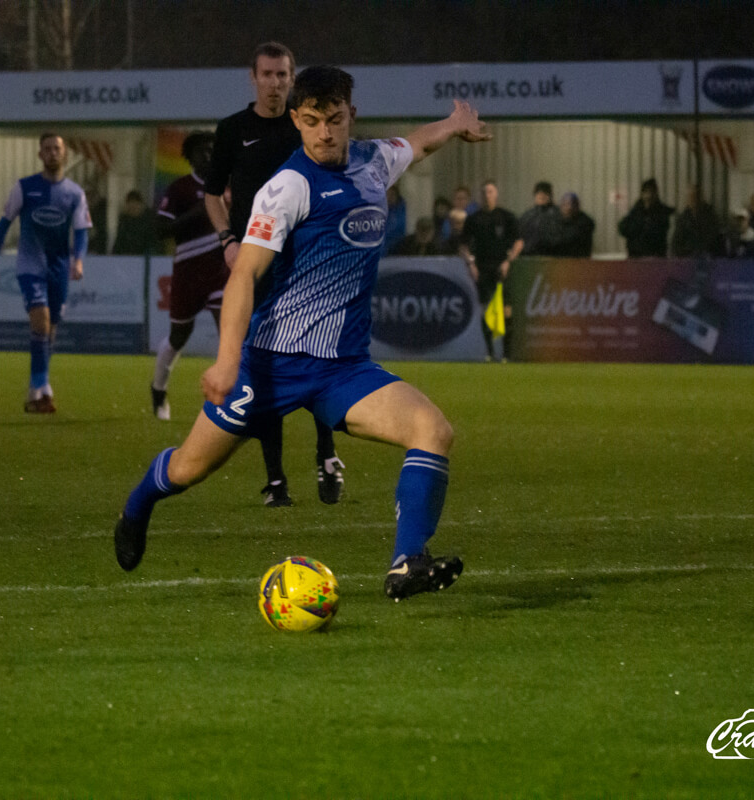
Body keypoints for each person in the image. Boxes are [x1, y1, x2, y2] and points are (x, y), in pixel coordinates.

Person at [113, 66, 492, 603]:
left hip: (343, 370)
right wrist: (225, 362)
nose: (324, 133)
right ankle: (138, 504)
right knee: (188, 469)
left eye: (334, 120)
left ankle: (407, 563)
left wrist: (452, 123)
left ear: (350, 116)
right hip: (269, 366)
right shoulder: (287, 187)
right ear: (295, 120)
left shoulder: (372, 161)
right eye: (311, 121)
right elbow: (244, 273)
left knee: (433, 431)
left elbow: (416, 145)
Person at [202, 41, 345, 508]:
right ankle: (276, 479)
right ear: (253, 77)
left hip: (304, 265)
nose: (276, 83)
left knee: (318, 357)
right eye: (268, 74)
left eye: (283, 74)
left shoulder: (306, 124)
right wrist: (228, 240)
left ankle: (327, 453)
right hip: (257, 262)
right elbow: (211, 194)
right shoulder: (232, 129)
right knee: (262, 367)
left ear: (292, 76)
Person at [0, 132, 92, 414]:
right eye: (48, 149)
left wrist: (77, 260)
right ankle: (44, 388)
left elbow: (81, 232)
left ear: (64, 154)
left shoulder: (75, 194)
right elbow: (3, 225)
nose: (53, 153)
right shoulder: (24, 188)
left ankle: (35, 391)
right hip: (30, 264)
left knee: (50, 329)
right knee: (41, 321)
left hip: (58, 267)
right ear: (40, 154)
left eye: (57, 148)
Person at [149, 132, 231, 422]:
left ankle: (227, 401)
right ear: (190, 157)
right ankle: (158, 391)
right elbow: (161, 230)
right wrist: (200, 212)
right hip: (187, 274)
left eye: (213, 150)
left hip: (220, 273)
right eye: (202, 151)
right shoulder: (180, 188)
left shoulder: (228, 187)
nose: (208, 155)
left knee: (229, 335)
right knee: (178, 337)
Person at [459, 180, 521, 361]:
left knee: (506, 309)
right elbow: (463, 245)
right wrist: (471, 263)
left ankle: (507, 354)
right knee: (486, 309)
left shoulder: (506, 217)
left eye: (491, 192)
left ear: (496, 194)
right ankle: (490, 353)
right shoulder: (474, 219)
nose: (488, 195)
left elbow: (519, 241)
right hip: (483, 268)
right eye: (485, 192)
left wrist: (508, 261)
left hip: (502, 267)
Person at [617, 178, 673, 257]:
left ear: (655, 194)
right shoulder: (635, 211)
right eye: (646, 192)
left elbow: (658, 233)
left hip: (656, 258)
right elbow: (622, 228)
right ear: (642, 194)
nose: (648, 196)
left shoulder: (662, 212)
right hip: (636, 258)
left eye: (651, 192)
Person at [670, 185, 722, 257]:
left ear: (701, 198)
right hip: (688, 260)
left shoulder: (710, 217)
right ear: (687, 200)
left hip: (708, 259)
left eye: (696, 196)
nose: (694, 200)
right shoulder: (682, 220)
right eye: (691, 197)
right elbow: (676, 243)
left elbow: (716, 239)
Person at [517, 180, 561, 255]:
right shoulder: (527, 215)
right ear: (535, 195)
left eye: (545, 193)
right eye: (539, 193)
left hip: (551, 256)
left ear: (550, 196)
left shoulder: (558, 214)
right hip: (528, 255)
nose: (541, 196)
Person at [111, 190, 160, 255]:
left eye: (135, 206)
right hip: (127, 258)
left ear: (141, 205)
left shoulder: (150, 220)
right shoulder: (124, 221)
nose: (133, 209)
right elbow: (119, 242)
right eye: (130, 207)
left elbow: (153, 243)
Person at [548, 192, 595, 257]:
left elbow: (569, 240)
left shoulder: (585, 222)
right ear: (561, 206)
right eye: (566, 204)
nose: (569, 207)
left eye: (573, 204)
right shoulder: (554, 220)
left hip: (578, 261)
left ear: (578, 206)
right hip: (558, 261)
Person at [383, 185, 408, 253]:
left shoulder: (400, 211)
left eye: (392, 195)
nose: (389, 197)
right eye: (387, 195)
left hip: (397, 247)